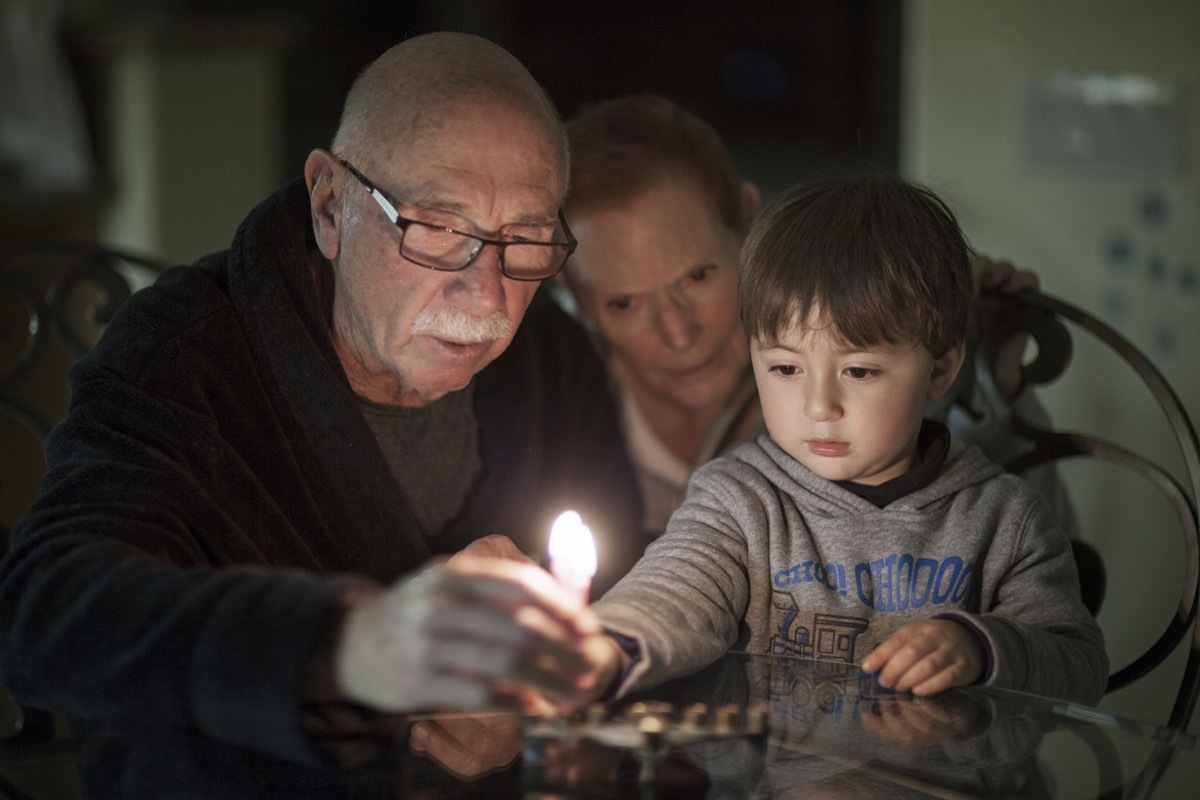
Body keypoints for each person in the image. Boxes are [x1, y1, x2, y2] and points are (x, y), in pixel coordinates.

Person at [0, 32, 637, 796]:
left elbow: (628, 589)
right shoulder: (186, 359)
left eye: (526, 241)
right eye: (436, 227)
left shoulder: (551, 357)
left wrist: (544, 697)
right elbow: (49, 614)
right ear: (331, 206)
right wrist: (356, 648)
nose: (490, 295)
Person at [582, 175, 1108, 706]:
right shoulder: (737, 502)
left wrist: (982, 646)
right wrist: (605, 645)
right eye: (786, 367)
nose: (818, 406)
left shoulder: (1003, 519)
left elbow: (1078, 664)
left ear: (941, 369)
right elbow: (673, 593)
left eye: (859, 372)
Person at [560, 94, 1071, 542]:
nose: (678, 334)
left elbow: (1040, 575)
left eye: (698, 276)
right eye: (624, 304)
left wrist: (993, 379)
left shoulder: (885, 379)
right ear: (573, 296)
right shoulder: (560, 410)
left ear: (748, 223)